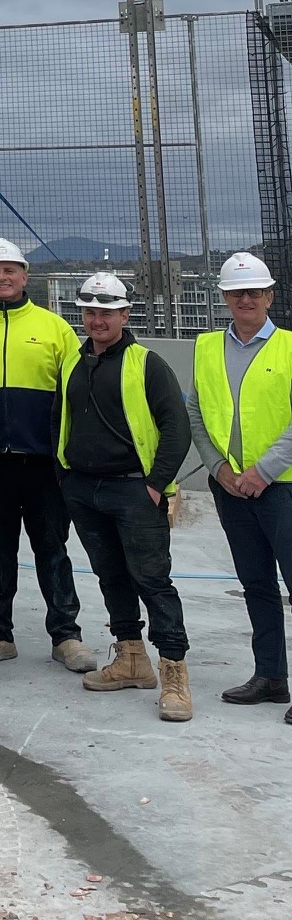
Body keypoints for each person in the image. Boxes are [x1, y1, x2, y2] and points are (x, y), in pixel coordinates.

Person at [55, 272, 192, 721]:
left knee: (152, 580)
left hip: (133, 489)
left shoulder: (147, 364)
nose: (98, 320)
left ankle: (173, 672)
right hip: (84, 489)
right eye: (90, 312)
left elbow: (176, 427)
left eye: (107, 312)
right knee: (111, 576)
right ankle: (131, 659)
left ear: (125, 315)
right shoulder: (73, 364)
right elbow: (61, 421)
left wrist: (154, 484)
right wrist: (66, 478)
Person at [0, 238, 95, 674]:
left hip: (43, 465)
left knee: (52, 550)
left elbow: (77, 394)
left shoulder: (55, 328)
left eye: (10, 270)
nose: (2, 277)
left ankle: (66, 636)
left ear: (24, 276)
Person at [187, 251, 292, 721]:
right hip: (230, 488)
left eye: (253, 292)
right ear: (225, 298)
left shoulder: (289, 347)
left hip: (282, 487)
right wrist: (218, 469)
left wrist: (262, 471)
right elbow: (196, 411)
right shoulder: (207, 347)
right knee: (256, 585)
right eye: (236, 293)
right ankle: (270, 676)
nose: (244, 299)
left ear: (269, 296)